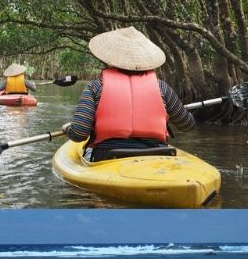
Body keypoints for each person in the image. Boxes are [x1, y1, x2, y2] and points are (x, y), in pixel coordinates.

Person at [62, 27, 196, 162]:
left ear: (110, 58)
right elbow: (187, 124)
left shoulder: (95, 87)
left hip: (108, 156)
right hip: (156, 156)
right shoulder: (161, 87)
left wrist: (67, 128)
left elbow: (79, 133)